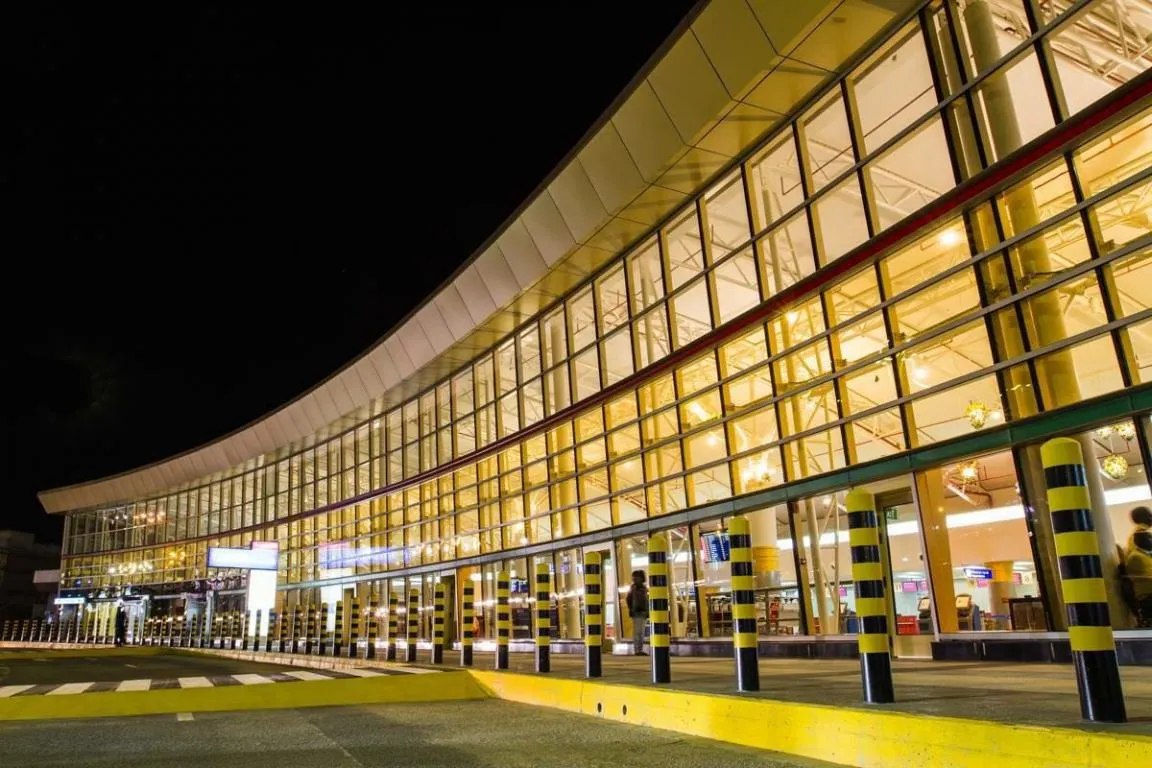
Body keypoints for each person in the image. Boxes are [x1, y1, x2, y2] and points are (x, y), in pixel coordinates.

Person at [1125, 530, 1152, 628]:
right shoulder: (1136, 557)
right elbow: (1147, 577)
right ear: (1138, 541)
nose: (1151, 540)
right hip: (1147, 595)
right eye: (1149, 538)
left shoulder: (1144, 554)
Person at [626, 570, 649, 656]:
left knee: (641, 632)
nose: (634, 579)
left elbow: (646, 601)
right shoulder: (634, 589)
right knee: (638, 632)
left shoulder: (643, 589)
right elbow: (629, 600)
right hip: (637, 612)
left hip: (642, 612)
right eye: (634, 578)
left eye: (636, 577)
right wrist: (631, 609)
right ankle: (637, 650)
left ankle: (639, 649)